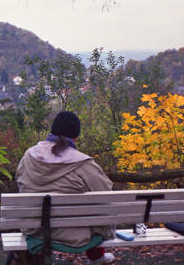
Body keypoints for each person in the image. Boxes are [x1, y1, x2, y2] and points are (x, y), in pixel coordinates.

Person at [15, 111, 116, 265]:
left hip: (35, 230)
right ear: (76, 136)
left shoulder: (29, 156)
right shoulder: (83, 162)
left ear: (52, 131)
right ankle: (96, 257)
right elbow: (106, 193)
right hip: (75, 234)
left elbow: (20, 181)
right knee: (99, 208)